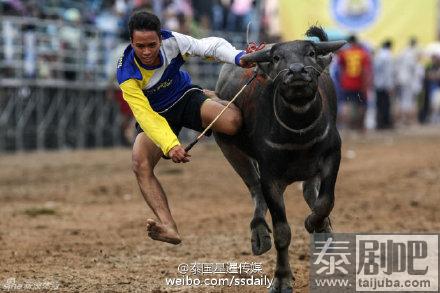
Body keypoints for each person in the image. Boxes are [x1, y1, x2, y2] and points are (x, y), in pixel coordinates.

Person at [116, 11, 253, 245]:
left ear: (160, 38)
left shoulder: (174, 41)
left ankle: (207, 95)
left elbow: (210, 46)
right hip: (156, 115)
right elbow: (145, 116)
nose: (147, 52)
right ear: (131, 43)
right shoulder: (126, 74)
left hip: (183, 97)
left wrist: (238, 57)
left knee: (233, 123)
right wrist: (171, 145)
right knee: (140, 163)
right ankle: (168, 226)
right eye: (140, 46)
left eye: (152, 45)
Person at [337, 35, 372, 131]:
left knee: (348, 104)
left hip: (347, 84)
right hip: (360, 84)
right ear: (357, 42)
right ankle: (359, 125)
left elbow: (341, 69)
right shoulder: (363, 54)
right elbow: (366, 71)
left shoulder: (344, 53)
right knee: (362, 105)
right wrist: (366, 84)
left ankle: (350, 126)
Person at [374, 39, 395, 129]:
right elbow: (388, 72)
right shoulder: (388, 56)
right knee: (386, 104)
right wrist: (390, 86)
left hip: (377, 83)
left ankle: (379, 123)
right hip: (385, 84)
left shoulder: (378, 55)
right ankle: (385, 123)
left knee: (379, 104)